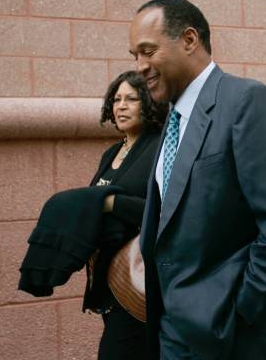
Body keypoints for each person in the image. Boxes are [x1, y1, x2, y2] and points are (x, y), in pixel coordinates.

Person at [130, 0, 266, 360]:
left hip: (233, 338)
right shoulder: (172, 119)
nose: (140, 66)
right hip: (175, 333)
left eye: (148, 51)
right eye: (134, 54)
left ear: (188, 40)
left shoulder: (247, 101)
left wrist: (244, 313)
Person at [82, 70, 167, 359]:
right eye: (117, 99)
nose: (121, 106)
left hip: (138, 279)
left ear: (149, 103)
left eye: (131, 99)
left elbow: (165, 209)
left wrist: (111, 204)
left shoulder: (160, 149)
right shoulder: (111, 153)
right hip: (108, 281)